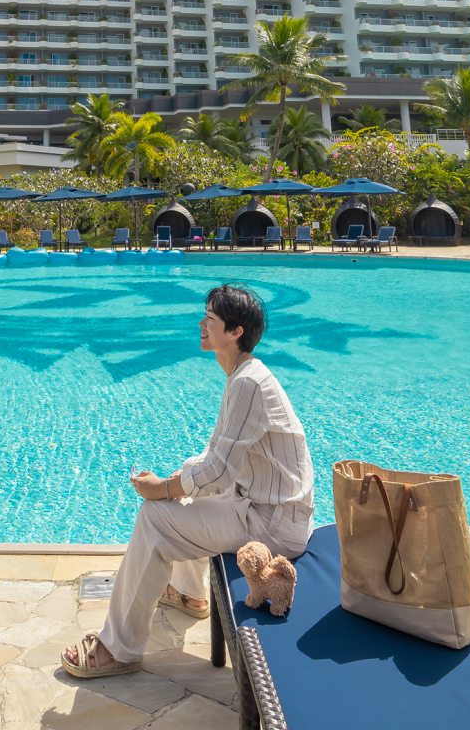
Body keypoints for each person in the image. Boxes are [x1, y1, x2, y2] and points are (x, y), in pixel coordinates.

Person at [62, 283, 314, 679]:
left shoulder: (248, 382)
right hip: (262, 508)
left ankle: (119, 649)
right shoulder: (243, 375)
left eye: (210, 318)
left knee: (155, 516)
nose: (201, 323)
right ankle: (190, 594)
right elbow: (216, 456)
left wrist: (162, 488)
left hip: (270, 526)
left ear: (235, 332)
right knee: (180, 498)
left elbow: (217, 471)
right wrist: (175, 480)